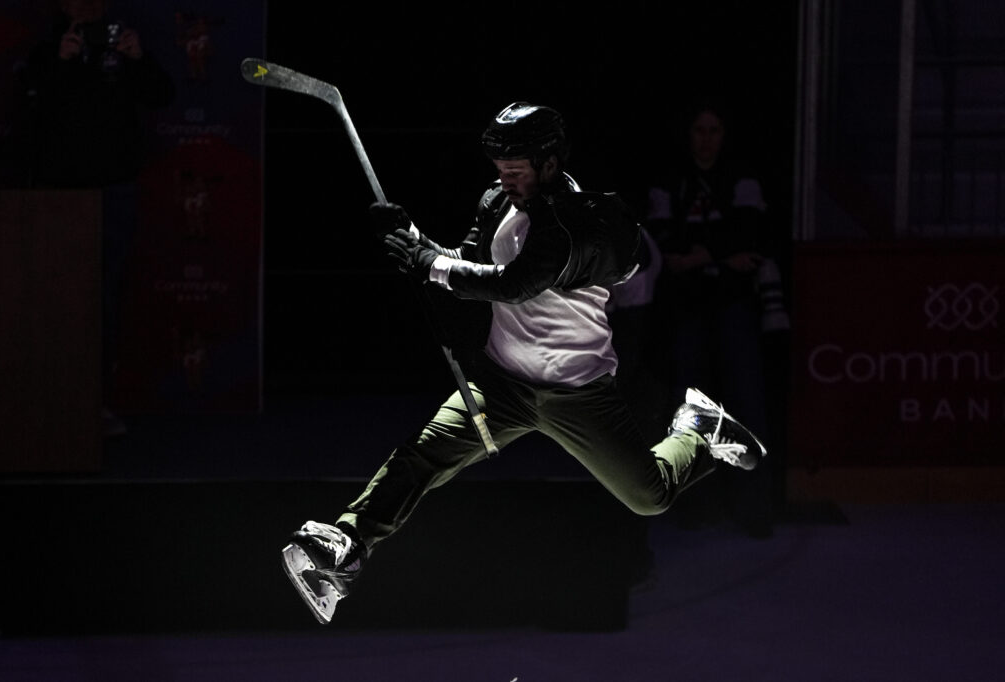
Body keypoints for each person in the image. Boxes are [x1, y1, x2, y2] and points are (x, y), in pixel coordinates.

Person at [281, 102, 767, 625]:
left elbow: (513, 285)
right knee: (423, 457)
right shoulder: (498, 201)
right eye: (500, 167)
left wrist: (430, 265)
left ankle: (698, 427)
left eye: (516, 169)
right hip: (503, 383)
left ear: (551, 163)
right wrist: (416, 240)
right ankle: (347, 545)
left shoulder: (575, 223)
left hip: (576, 393)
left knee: (649, 496)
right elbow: (472, 263)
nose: (504, 178)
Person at [19, 0, 174, 435]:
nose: (86, 10)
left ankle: (97, 405)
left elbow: (162, 95)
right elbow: (28, 116)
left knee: (105, 303)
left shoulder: (121, 44)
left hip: (115, 191)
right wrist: (61, 63)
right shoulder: (48, 50)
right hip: (60, 197)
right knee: (55, 303)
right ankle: (51, 405)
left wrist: (137, 59)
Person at [643, 100, 774, 537]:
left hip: (734, 306)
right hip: (687, 310)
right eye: (699, 129)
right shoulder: (669, 178)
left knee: (747, 404)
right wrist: (716, 255)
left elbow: (749, 231)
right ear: (688, 133)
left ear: (724, 133)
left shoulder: (742, 176)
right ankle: (693, 508)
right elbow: (664, 241)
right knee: (691, 412)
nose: (706, 138)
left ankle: (753, 510)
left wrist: (698, 253)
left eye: (714, 129)